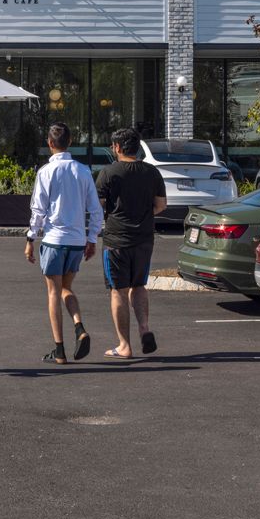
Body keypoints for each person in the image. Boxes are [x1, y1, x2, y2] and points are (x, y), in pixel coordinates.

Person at [24, 122, 102, 364]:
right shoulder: (83, 171)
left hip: (54, 240)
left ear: (49, 143)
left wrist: (30, 238)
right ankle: (79, 326)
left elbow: (38, 209)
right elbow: (95, 210)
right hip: (77, 240)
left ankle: (59, 349)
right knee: (67, 288)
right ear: (70, 142)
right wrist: (91, 239)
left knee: (53, 293)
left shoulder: (45, 172)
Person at [95, 127, 168, 359]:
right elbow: (161, 205)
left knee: (118, 290)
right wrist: (143, 214)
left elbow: (97, 205)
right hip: (144, 239)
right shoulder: (152, 172)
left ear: (117, 147)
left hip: (116, 240)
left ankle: (124, 345)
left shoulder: (108, 173)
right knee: (139, 286)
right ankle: (144, 329)